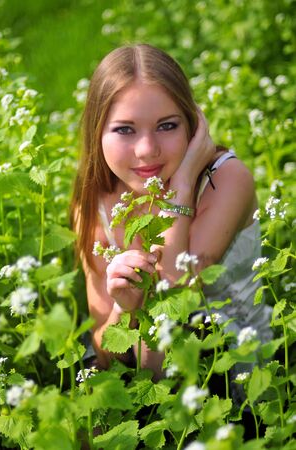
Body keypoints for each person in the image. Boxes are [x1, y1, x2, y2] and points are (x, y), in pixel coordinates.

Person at [70, 43, 271, 378]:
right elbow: (106, 352)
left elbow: (166, 342)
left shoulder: (227, 181)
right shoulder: (94, 200)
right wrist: (124, 308)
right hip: (139, 371)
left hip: (231, 372)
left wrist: (182, 185)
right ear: (97, 133)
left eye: (167, 126)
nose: (147, 150)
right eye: (124, 129)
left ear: (192, 125)